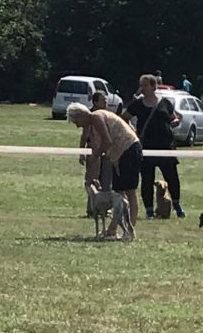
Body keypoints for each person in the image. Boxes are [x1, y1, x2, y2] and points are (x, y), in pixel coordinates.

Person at [67, 102, 142, 233]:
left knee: (130, 192)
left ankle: (130, 229)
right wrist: (93, 173)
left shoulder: (97, 117)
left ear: (81, 115)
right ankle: (112, 229)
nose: (77, 125)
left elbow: (107, 141)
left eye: (76, 121)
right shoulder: (91, 126)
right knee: (118, 192)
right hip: (118, 155)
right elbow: (101, 148)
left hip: (129, 149)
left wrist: (95, 156)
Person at [123, 74, 185, 219]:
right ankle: (149, 210)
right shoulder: (137, 104)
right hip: (146, 147)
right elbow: (124, 118)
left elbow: (173, 117)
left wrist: (175, 121)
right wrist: (134, 134)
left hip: (165, 147)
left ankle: (176, 205)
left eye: (145, 85)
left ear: (153, 86)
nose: (142, 88)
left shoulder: (165, 103)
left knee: (172, 178)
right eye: (141, 85)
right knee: (147, 179)